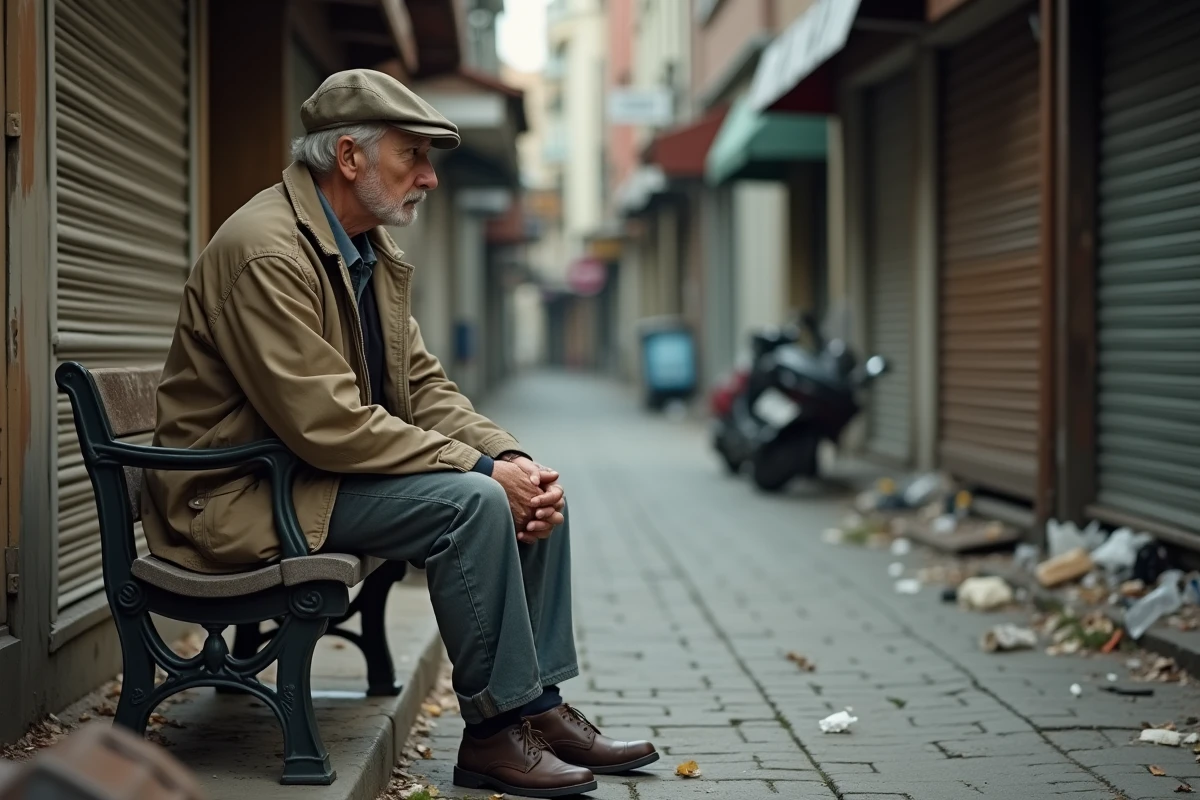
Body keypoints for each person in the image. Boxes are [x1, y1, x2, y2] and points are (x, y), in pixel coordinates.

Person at [141, 69, 658, 798]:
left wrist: (506, 454)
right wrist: (481, 474)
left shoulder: (365, 252)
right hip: (235, 497)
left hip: (301, 480)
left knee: (526, 483)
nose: (429, 178)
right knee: (475, 503)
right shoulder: (267, 250)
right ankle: (492, 734)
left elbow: (424, 390)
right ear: (349, 157)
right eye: (412, 156)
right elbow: (328, 424)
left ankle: (537, 707)